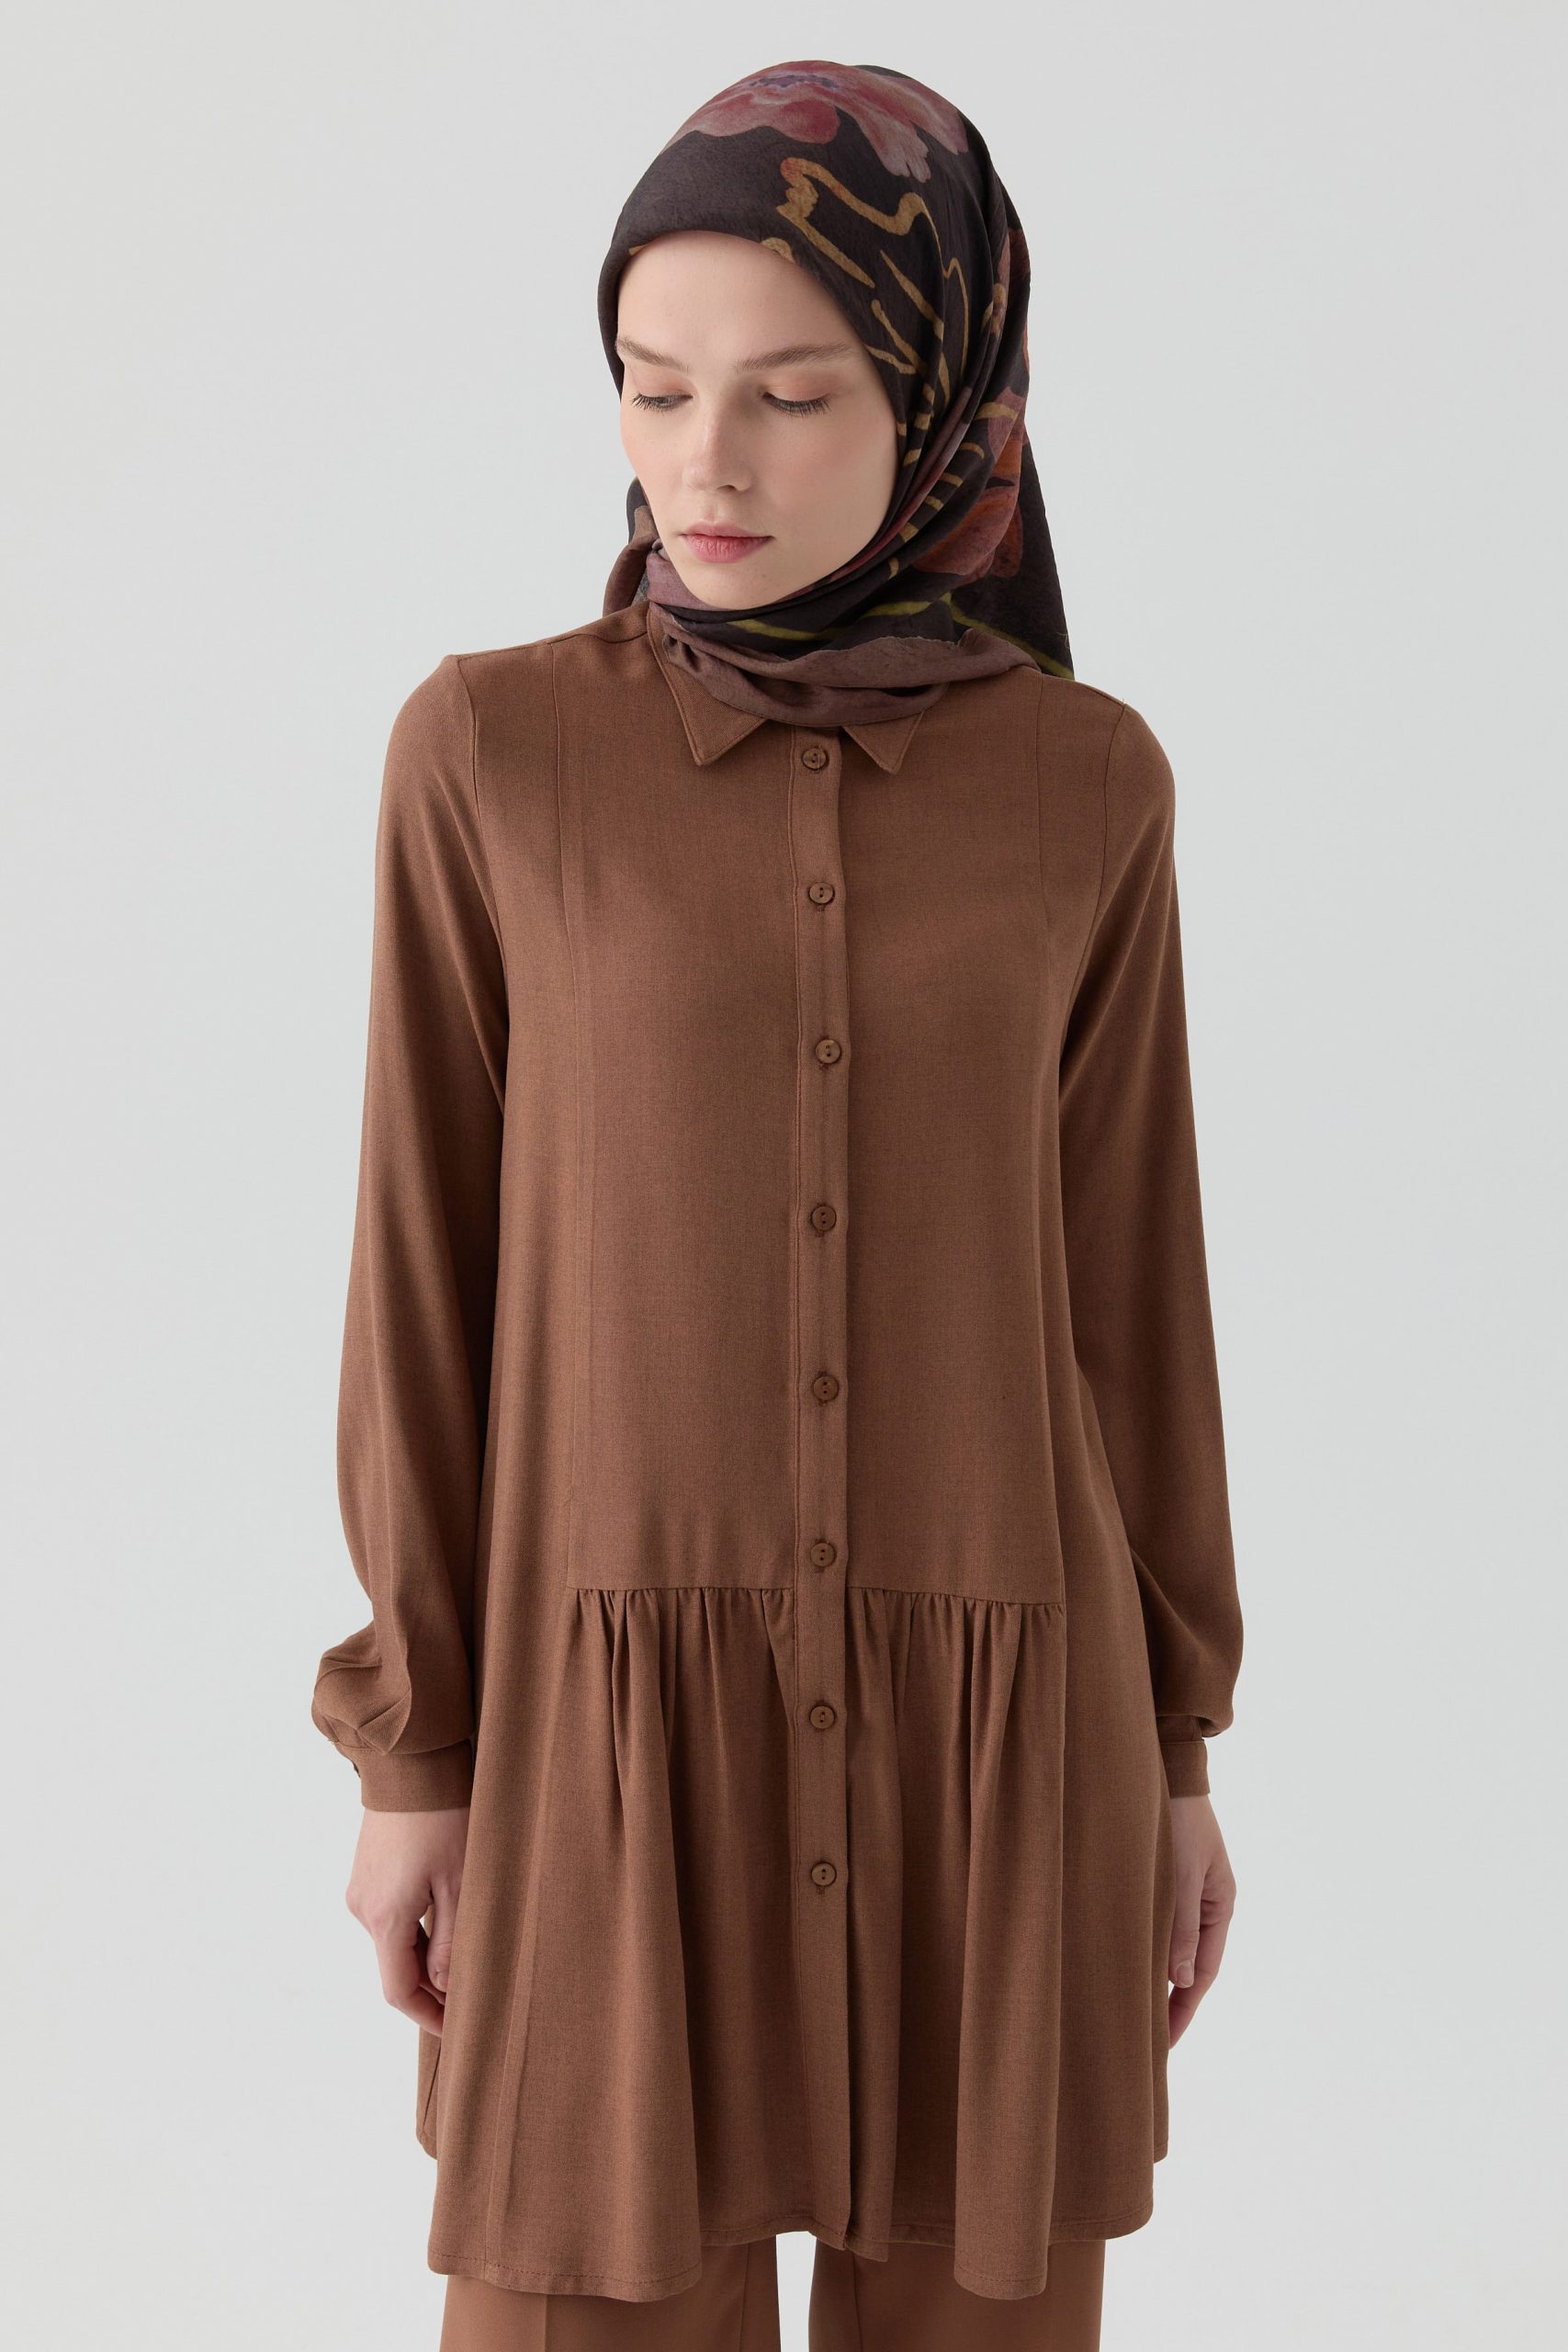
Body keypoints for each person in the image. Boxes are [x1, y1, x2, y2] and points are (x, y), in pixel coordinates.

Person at [311, 58, 1244, 2352]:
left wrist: (1172, 1749)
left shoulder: (1086, 783)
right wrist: (418, 1749)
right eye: (653, 387)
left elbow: (1131, 1295)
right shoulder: (490, 756)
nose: (704, 461)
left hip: (1006, 1745)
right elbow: (422, 1275)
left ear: (937, 400)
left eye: (790, 394)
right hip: (601, 1747)